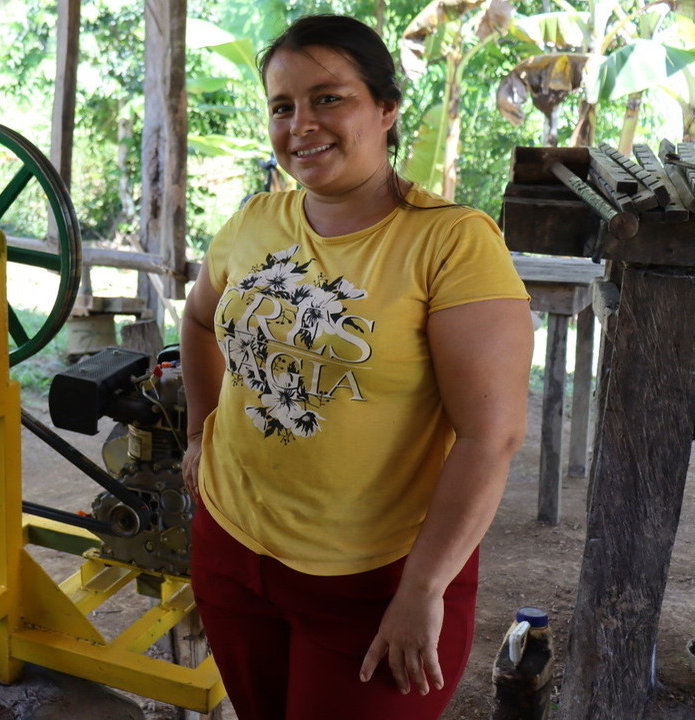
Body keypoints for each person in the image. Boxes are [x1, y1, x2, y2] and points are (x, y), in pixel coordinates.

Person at [179, 14, 533, 720]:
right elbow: (196, 321)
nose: (301, 124)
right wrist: (199, 431)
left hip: (375, 581)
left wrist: (423, 589)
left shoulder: (451, 245)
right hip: (232, 548)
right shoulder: (254, 221)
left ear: (387, 108)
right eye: (282, 106)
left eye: (328, 98)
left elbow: (490, 437)